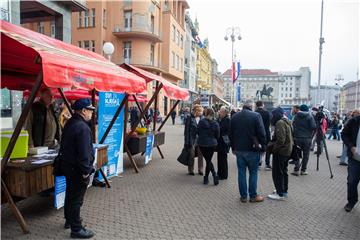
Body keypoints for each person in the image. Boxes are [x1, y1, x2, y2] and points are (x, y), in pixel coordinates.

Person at [60, 98, 95, 238]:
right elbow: (84, 153)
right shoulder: (82, 127)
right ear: (84, 111)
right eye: (90, 110)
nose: (92, 113)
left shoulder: (71, 123)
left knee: (70, 195)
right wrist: (86, 172)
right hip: (77, 170)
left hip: (68, 167)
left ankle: (69, 220)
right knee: (76, 200)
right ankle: (76, 229)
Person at [230, 100, 266, 203]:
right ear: (251, 107)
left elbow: (230, 134)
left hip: (239, 149)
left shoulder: (235, 117)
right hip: (253, 149)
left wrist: (233, 147)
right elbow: (262, 133)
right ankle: (253, 196)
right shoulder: (256, 116)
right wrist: (263, 147)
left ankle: (244, 196)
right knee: (253, 173)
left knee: (241, 173)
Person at [267, 107, 293, 200]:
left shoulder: (280, 123)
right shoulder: (287, 121)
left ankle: (280, 193)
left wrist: (274, 149)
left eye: (273, 115)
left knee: (278, 172)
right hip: (287, 150)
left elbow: (281, 140)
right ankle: (283, 190)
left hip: (281, 151)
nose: (272, 117)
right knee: (284, 171)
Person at [341, 112, 360, 212]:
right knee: (352, 181)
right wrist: (351, 146)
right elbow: (344, 134)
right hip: (355, 158)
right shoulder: (354, 121)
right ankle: (351, 201)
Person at [291, 104, 316, 176]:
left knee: (297, 154)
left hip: (297, 138)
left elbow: (293, 126)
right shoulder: (310, 116)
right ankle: (303, 170)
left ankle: (296, 170)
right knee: (306, 155)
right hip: (307, 138)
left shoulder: (296, 116)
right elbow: (313, 127)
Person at [198, 108, 220, 185]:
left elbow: (198, 132)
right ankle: (207, 177)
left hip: (202, 143)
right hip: (212, 144)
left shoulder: (201, 122)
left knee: (208, 160)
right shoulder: (215, 123)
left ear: (206, 113)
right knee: (208, 160)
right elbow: (218, 135)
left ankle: (212, 175)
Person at [184, 104, 204, 175]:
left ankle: (200, 169)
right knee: (191, 154)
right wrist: (186, 142)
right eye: (200, 111)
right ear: (196, 111)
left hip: (200, 140)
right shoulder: (189, 118)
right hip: (192, 140)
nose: (201, 113)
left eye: (201, 111)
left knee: (200, 154)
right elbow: (186, 131)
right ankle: (190, 169)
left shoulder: (202, 118)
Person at [255, 101, 272, 170]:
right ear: (263, 105)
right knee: (268, 148)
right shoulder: (267, 112)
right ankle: (267, 164)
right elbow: (269, 123)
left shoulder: (254, 112)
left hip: (257, 133)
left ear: (256, 105)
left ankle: (258, 164)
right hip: (266, 132)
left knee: (257, 148)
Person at [217, 106, 231, 180]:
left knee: (223, 159)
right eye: (220, 112)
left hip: (224, 143)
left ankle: (223, 175)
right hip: (221, 142)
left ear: (225, 113)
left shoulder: (227, 120)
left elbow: (225, 131)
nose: (219, 113)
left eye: (221, 112)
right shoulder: (221, 119)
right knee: (220, 158)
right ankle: (220, 172)